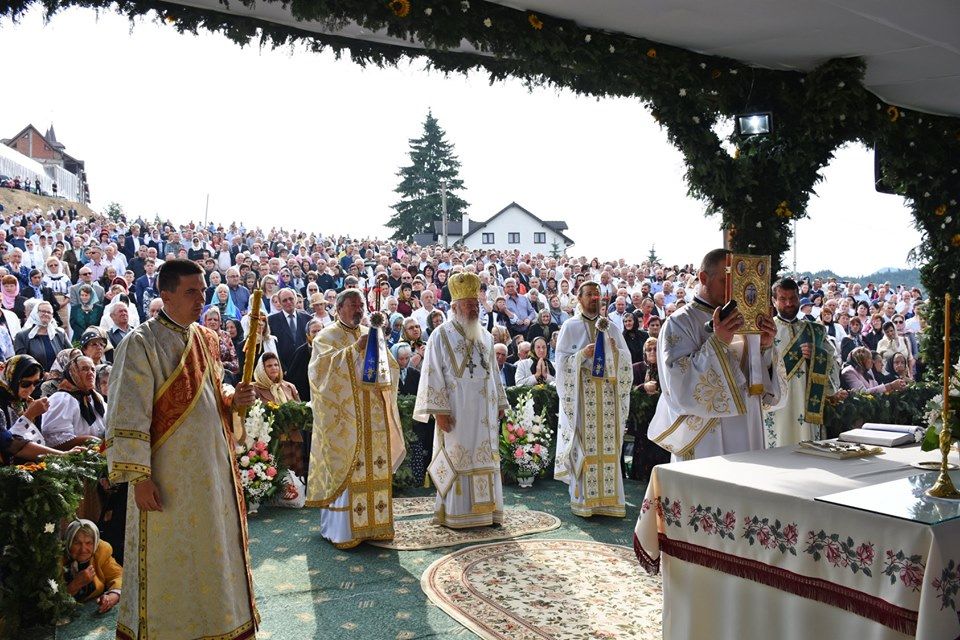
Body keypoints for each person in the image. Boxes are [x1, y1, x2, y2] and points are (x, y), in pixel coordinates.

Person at [104, 259, 259, 640]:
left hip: (211, 473)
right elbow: (127, 415)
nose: (200, 299)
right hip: (167, 477)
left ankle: (220, 624)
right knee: (169, 559)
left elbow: (215, 389)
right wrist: (139, 479)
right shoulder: (140, 343)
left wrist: (232, 396)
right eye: (191, 291)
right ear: (165, 294)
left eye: (203, 291)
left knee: (213, 552)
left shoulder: (206, 338)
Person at [648, 249, 783, 460]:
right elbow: (678, 385)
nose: (732, 291)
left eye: (736, 283)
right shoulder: (680, 322)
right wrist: (718, 343)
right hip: (704, 436)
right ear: (703, 278)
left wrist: (765, 348)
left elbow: (762, 389)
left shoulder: (745, 320)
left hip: (748, 424)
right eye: (724, 281)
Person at [306, 289, 406, 547]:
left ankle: (376, 526)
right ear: (339, 309)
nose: (358, 310)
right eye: (353, 305)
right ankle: (345, 531)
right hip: (345, 419)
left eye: (360, 305)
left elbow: (391, 367)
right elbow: (319, 374)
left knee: (375, 465)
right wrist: (353, 351)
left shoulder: (370, 333)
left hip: (372, 414)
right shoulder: (325, 337)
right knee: (349, 467)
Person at [414, 272, 509, 528]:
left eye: (476, 305)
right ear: (455, 307)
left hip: (485, 413)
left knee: (485, 458)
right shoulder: (440, 335)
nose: (475, 310)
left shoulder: (487, 337)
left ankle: (488, 513)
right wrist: (439, 411)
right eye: (469, 305)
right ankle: (456, 515)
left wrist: (500, 402)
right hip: (456, 412)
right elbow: (431, 373)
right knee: (458, 457)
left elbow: (494, 374)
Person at [553, 281, 633, 518]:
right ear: (579, 299)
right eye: (589, 294)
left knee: (607, 446)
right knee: (586, 447)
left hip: (607, 397)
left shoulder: (611, 327)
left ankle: (611, 500)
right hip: (581, 398)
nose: (594, 298)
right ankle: (584, 501)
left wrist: (614, 352)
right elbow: (561, 364)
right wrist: (582, 355)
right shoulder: (570, 326)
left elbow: (626, 361)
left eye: (597, 294)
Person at [764, 278, 845, 447]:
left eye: (792, 298)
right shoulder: (765, 330)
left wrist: (816, 355)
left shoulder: (815, 330)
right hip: (777, 406)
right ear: (773, 301)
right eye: (782, 299)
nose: (788, 303)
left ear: (799, 298)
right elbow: (756, 366)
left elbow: (833, 362)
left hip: (805, 403)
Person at [253, 352, 305, 478]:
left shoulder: (289, 386)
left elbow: (301, 410)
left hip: (292, 439)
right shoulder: (255, 389)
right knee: (276, 479)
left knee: (296, 479)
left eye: (276, 365)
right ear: (262, 369)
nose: (274, 368)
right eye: (269, 366)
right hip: (272, 443)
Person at [42, 354, 107, 450]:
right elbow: (54, 440)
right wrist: (91, 440)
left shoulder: (96, 398)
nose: (90, 373)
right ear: (73, 373)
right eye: (85, 369)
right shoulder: (62, 399)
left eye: (93, 369)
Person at [62, 519, 123, 613]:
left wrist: (112, 597)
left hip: (92, 612)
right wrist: (76, 584)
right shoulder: (58, 560)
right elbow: (51, 600)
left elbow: (119, 576)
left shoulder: (101, 553)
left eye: (88, 543)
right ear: (68, 543)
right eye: (77, 543)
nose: (83, 549)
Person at [14, 301, 71, 371]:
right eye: (43, 311)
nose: (46, 314)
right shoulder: (22, 336)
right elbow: (22, 363)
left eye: (49, 312)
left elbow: (71, 354)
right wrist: (42, 374)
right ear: (35, 313)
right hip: (35, 379)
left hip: (60, 378)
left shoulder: (60, 334)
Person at [267, 287, 312, 373]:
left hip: (306, 368)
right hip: (284, 370)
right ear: (279, 302)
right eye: (284, 300)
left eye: (291, 299)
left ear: (295, 299)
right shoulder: (271, 321)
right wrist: (281, 368)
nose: (288, 302)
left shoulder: (308, 319)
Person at [841, 347, 906, 394]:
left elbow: (876, 387)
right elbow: (862, 393)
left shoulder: (868, 370)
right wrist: (891, 386)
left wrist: (894, 387)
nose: (872, 361)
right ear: (861, 360)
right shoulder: (849, 372)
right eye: (869, 358)